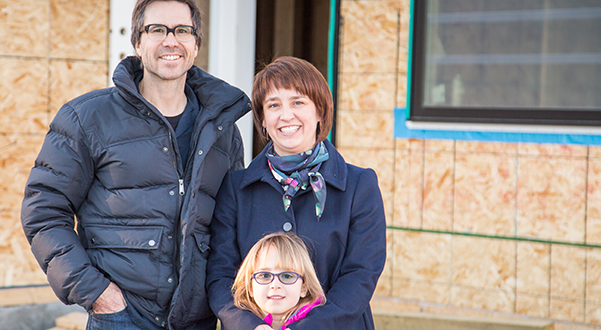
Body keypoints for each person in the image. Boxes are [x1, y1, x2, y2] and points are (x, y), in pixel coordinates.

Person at [20, 0, 251, 329]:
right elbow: (42, 212)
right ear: (138, 43)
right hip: (120, 316)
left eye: (182, 30)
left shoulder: (221, 129)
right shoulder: (87, 118)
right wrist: (98, 294)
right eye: (157, 30)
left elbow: (231, 225)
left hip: (196, 318)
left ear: (196, 44)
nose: (171, 41)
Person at [206, 56, 386, 330]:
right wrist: (248, 326)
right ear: (263, 120)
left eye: (298, 102)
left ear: (320, 112)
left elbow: (361, 274)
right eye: (274, 105)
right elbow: (220, 275)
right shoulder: (235, 189)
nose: (286, 115)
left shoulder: (360, 185)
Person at [232, 232, 325, 330]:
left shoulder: (318, 324)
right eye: (265, 275)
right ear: (250, 287)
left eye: (287, 276)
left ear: (303, 288)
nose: (275, 285)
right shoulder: (239, 324)